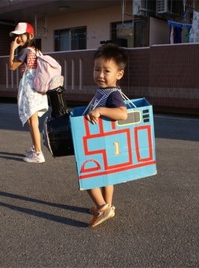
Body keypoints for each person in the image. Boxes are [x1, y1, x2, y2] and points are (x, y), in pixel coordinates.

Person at [85, 43, 128, 227]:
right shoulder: (103, 91)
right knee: (106, 176)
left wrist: (101, 110)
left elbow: (122, 113)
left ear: (119, 74)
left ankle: (102, 206)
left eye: (106, 71)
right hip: (103, 142)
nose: (100, 75)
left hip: (101, 143)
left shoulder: (113, 94)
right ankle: (108, 205)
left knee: (87, 175)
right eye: (96, 69)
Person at [8, 22, 48, 163]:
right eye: (16, 36)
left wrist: (12, 49)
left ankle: (38, 153)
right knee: (33, 122)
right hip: (38, 90)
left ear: (30, 35)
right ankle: (35, 148)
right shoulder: (37, 51)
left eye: (21, 35)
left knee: (33, 123)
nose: (18, 38)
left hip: (30, 90)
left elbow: (12, 66)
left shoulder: (25, 51)